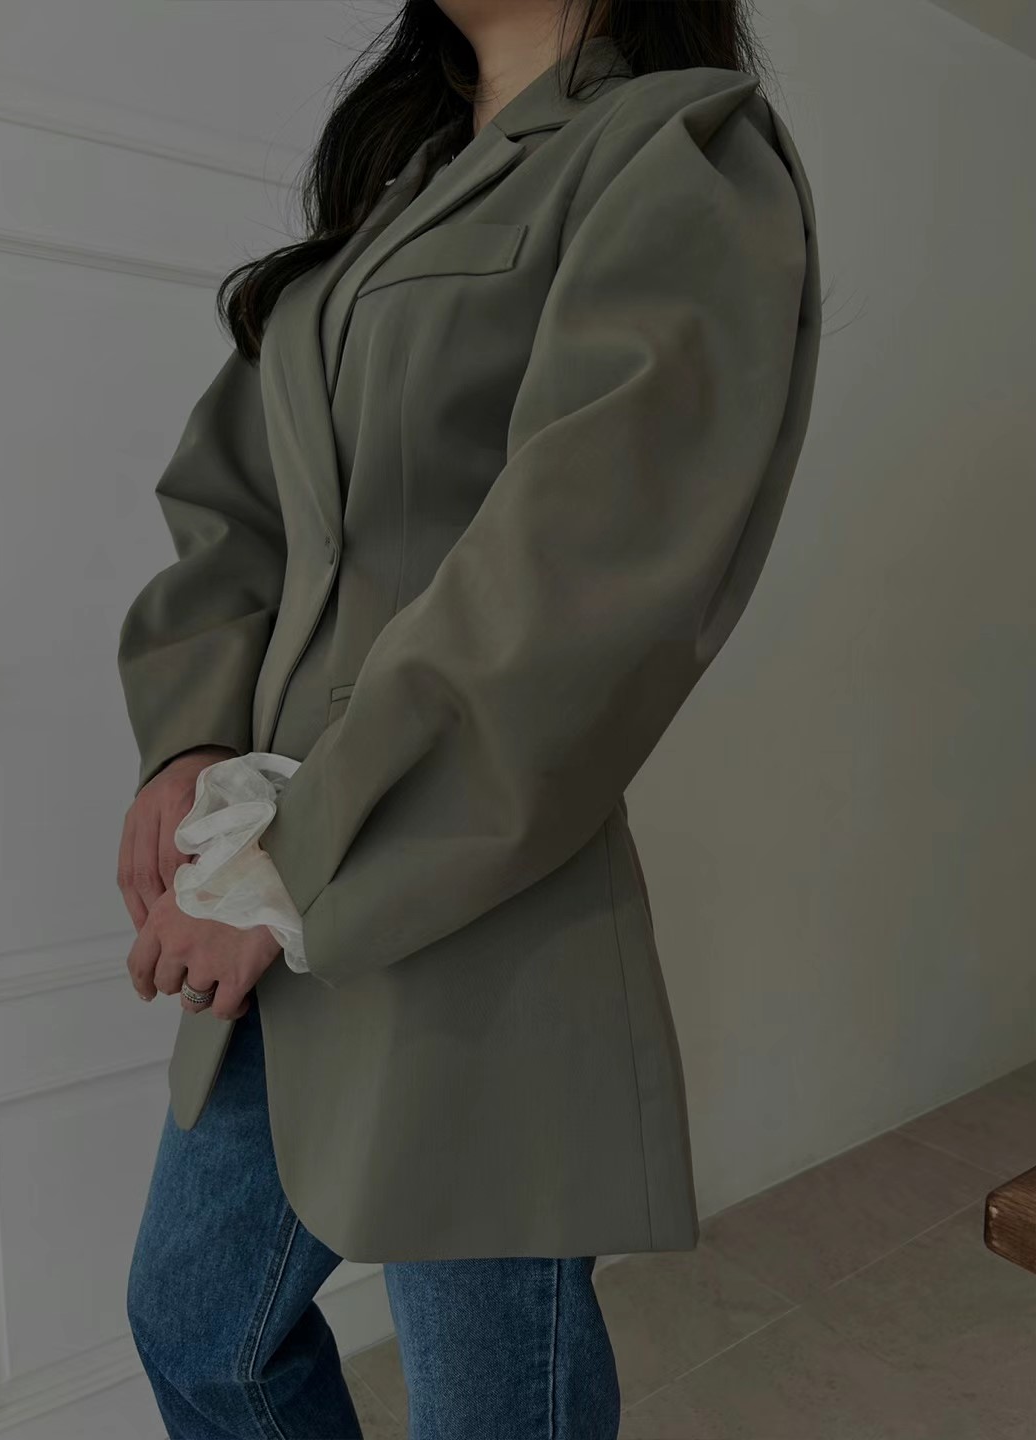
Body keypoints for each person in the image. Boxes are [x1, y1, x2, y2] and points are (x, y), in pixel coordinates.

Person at [116, 0, 822, 1435]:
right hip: (269, 870)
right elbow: (240, 507)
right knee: (198, 1329)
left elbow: (576, 579)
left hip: (471, 892)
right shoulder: (394, 198)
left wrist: (290, 863)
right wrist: (190, 742)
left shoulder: (675, 149)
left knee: (490, 1412)